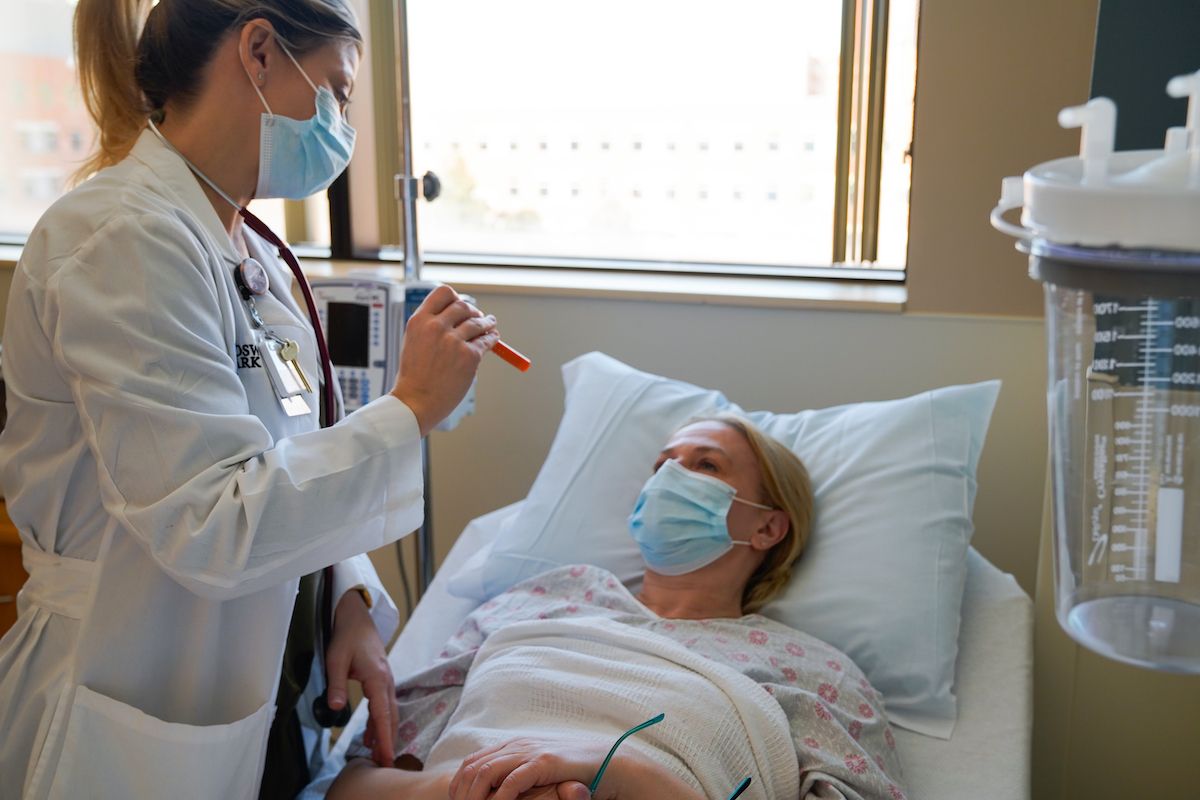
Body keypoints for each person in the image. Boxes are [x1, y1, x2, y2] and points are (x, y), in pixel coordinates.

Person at [0, 1, 500, 798]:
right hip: (132, 685)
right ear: (260, 51)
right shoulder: (122, 240)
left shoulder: (251, 252)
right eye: (337, 91)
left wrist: (349, 596)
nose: (342, 122)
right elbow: (213, 520)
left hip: (264, 689)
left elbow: (282, 463)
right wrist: (410, 407)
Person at [321, 415, 908, 800]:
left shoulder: (813, 672)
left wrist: (621, 773)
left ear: (767, 527)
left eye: (705, 465)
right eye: (662, 466)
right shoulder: (540, 602)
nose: (670, 476)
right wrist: (484, 786)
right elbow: (351, 786)